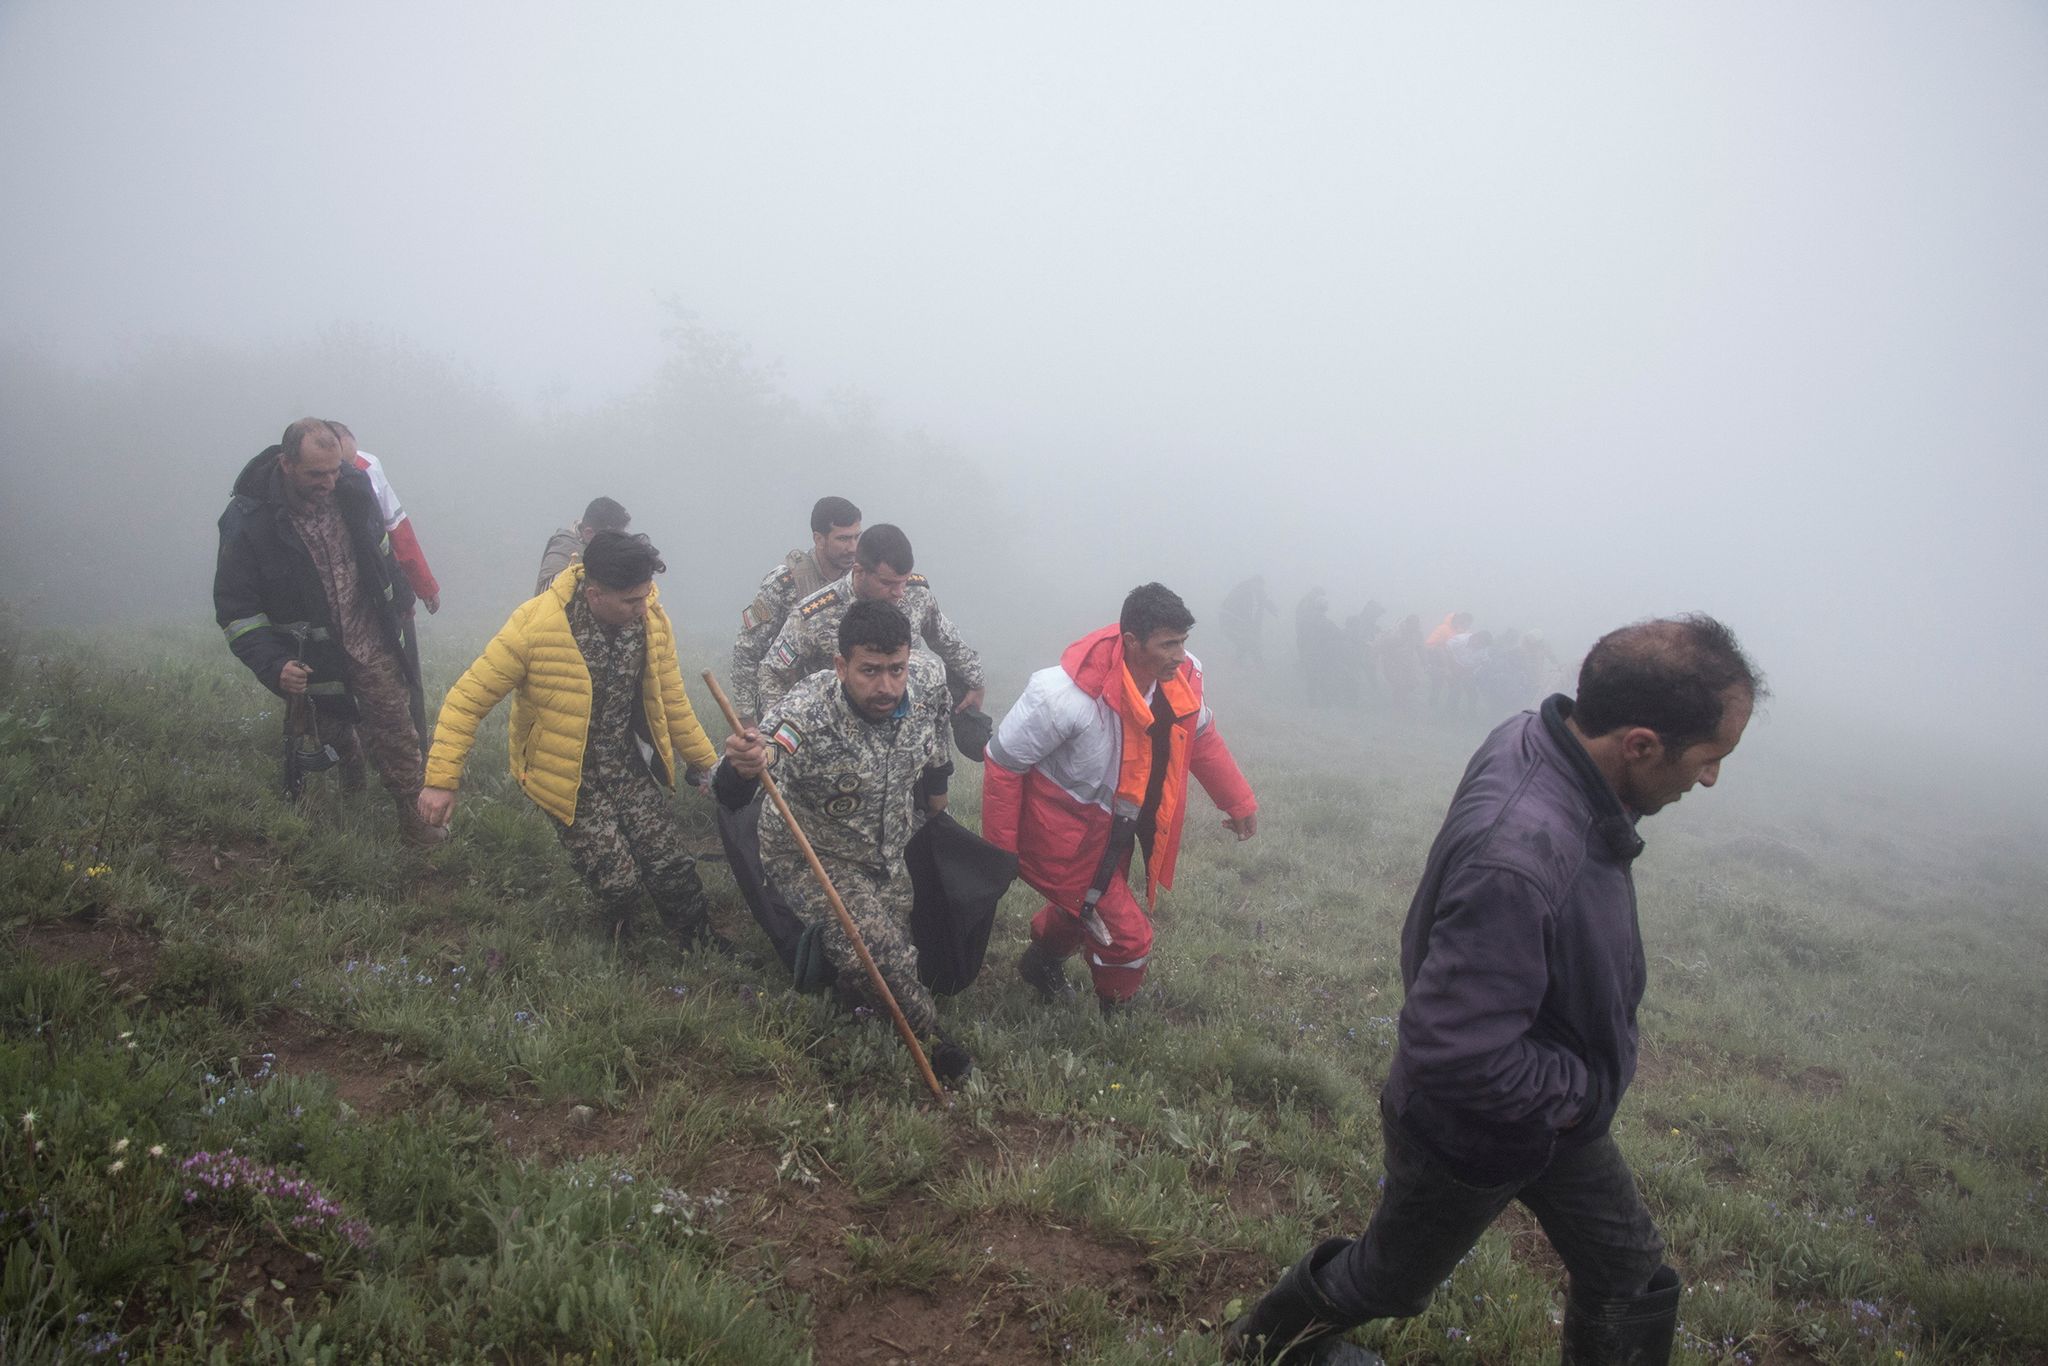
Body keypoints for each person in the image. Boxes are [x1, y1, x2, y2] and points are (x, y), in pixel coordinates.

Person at [1225, 615, 1765, 1365]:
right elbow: (1457, 1053)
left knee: (1630, 1274)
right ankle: (1266, 1348)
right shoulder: (1521, 856)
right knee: (1389, 1281)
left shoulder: (1540, 740)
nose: (1708, 778)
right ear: (1639, 744)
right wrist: (1579, 1092)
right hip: (1472, 1131)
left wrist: (1572, 1099)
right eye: (1709, 759)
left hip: (1551, 1111)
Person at [420, 531, 722, 944]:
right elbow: (466, 699)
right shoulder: (535, 626)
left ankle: (698, 940)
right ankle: (620, 942)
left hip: (624, 764)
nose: (643, 606)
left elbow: (671, 699)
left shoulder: (650, 619)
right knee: (618, 880)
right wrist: (441, 780)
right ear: (595, 595)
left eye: (646, 594)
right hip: (564, 773)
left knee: (670, 861)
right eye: (631, 601)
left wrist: (706, 765)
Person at [717, 600, 970, 1078]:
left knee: (892, 956)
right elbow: (749, 770)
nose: (886, 686)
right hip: (814, 856)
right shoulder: (805, 712)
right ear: (841, 665)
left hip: (888, 854)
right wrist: (743, 764)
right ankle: (935, 1046)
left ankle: (850, 1002)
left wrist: (937, 808)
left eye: (896, 669)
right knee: (886, 961)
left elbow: (938, 750)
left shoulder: (926, 685)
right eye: (870, 671)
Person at [983, 583, 1258, 1013]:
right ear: (1131, 641)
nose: (1180, 655)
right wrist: (998, 854)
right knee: (1129, 935)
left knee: (1083, 906)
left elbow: (1200, 737)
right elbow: (1003, 764)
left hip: (1114, 831)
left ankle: (1041, 963)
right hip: (1060, 834)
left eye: (1183, 642)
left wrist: (1238, 801)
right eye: (1168, 644)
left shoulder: (1180, 677)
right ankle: (1120, 1009)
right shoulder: (1061, 695)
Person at [214, 418, 440, 844]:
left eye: (336, 470)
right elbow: (236, 610)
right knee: (330, 731)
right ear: (286, 464)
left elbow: (383, 551)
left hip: (368, 637)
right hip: (306, 656)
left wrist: (402, 596)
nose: (329, 482)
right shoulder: (249, 521)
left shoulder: (353, 489)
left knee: (395, 726)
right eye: (317, 474)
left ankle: (415, 820)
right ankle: (347, 763)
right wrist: (274, 664)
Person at [756, 523, 985, 720]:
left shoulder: (916, 595)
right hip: (837, 733)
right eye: (887, 583)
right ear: (859, 571)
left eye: (903, 582)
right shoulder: (815, 616)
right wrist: (782, 731)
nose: (899, 593)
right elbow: (773, 672)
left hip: (905, 728)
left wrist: (975, 681)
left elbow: (946, 639)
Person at [328, 420, 441, 752]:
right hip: (339, 596)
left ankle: (417, 747)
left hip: (385, 589)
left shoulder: (369, 466)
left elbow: (398, 530)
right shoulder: (311, 477)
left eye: (348, 462)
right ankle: (355, 749)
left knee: (406, 672)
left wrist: (424, 585)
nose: (343, 474)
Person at [728, 496, 862, 725]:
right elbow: (747, 650)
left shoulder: (860, 580)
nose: (853, 548)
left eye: (856, 537)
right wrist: (746, 716)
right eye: (843, 539)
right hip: (790, 709)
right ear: (818, 539)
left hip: (844, 711)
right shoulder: (783, 584)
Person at [536, 496, 632, 596]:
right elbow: (550, 602)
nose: (618, 544)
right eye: (613, 538)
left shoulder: (600, 550)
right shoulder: (561, 556)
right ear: (588, 533)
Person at [1219, 575, 1278, 666]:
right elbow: (1241, 610)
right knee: (1248, 642)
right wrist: (1249, 625)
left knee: (1246, 643)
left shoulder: (1257, 591)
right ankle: (1257, 665)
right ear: (1253, 583)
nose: (1260, 588)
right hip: (1233, 622)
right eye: (1258, 585)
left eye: (1261, 586)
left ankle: (1241, 664)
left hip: (1243, 624)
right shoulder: (1242, 591)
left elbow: (1265, 600)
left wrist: (1274, 611)